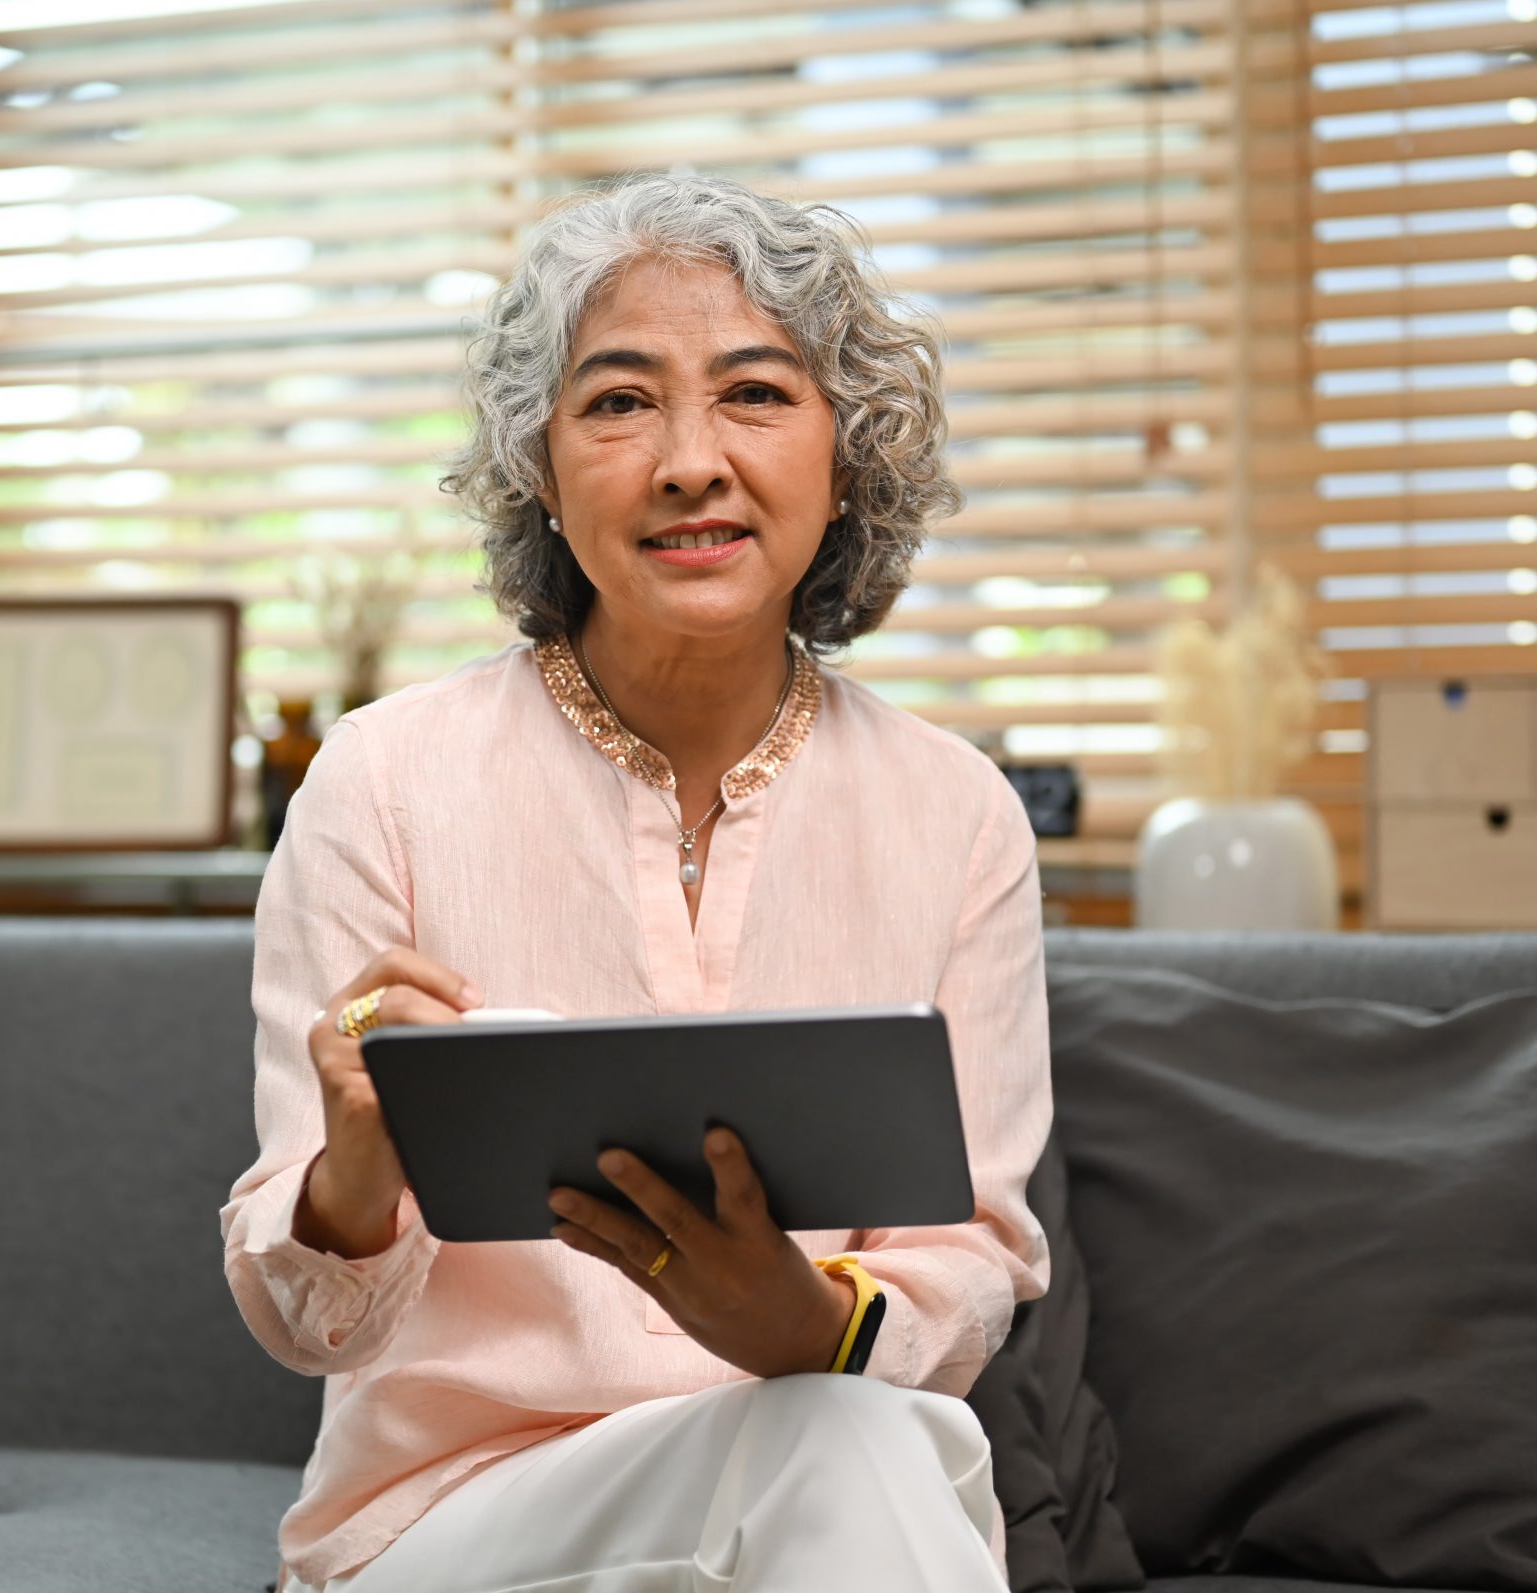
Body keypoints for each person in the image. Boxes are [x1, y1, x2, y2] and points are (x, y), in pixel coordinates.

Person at [221, 170, 1053, 1592]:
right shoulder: (380, 781)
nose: (688, 461)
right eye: (618, 402)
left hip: (817, 1475)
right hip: (455, 1524)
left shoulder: (956, 815)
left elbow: (968, 1256)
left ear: (846, 452)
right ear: (538, 465)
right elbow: (310, 1323)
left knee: (850, 1438)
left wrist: (800, 1315)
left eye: (754, 394)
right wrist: (355, 1175)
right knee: (859, 1453)